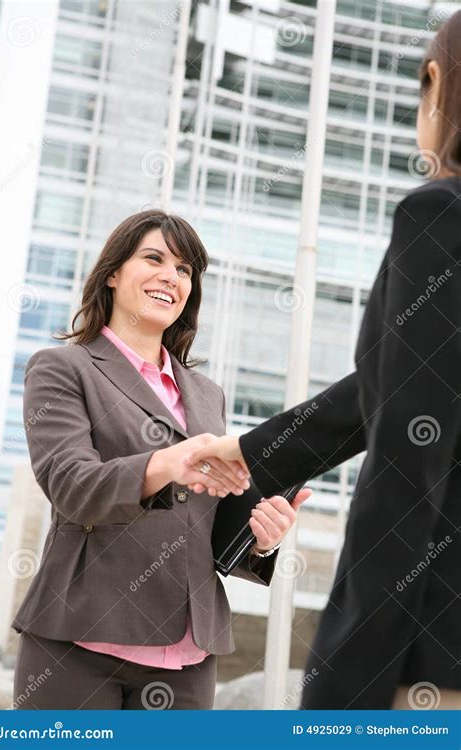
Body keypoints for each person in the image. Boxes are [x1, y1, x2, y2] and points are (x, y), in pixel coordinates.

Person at [185, 11, 461, 709]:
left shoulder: (441, 214)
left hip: (430, 654)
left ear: (437, 84)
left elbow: (409, 451)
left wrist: (345, 679)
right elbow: (397, 385)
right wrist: (253, 452)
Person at [12, 210, 310, 710]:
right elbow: (71, 486)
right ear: (112, 272)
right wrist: (169, 462)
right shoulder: (64, 368)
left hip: (187, 655)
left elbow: (203, 519)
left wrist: (258, 538)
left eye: (185, 270)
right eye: (154, 258)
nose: (171, 277)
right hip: (80, 641)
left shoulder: (206, 393)